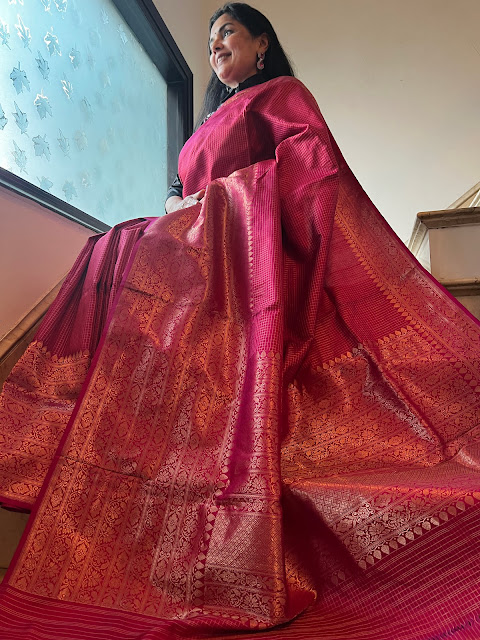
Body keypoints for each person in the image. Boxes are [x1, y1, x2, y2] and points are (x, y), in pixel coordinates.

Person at [0, 3, 479, 639]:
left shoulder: (280, 95)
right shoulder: (205, 126)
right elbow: (182, 191)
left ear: (261, 44)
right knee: (110, 247)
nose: (215, 45)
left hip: (254, 253)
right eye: (209, 39)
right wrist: (182, 205)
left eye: (227, 31)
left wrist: (226, 201)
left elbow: (311, 167)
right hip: (205, 247)